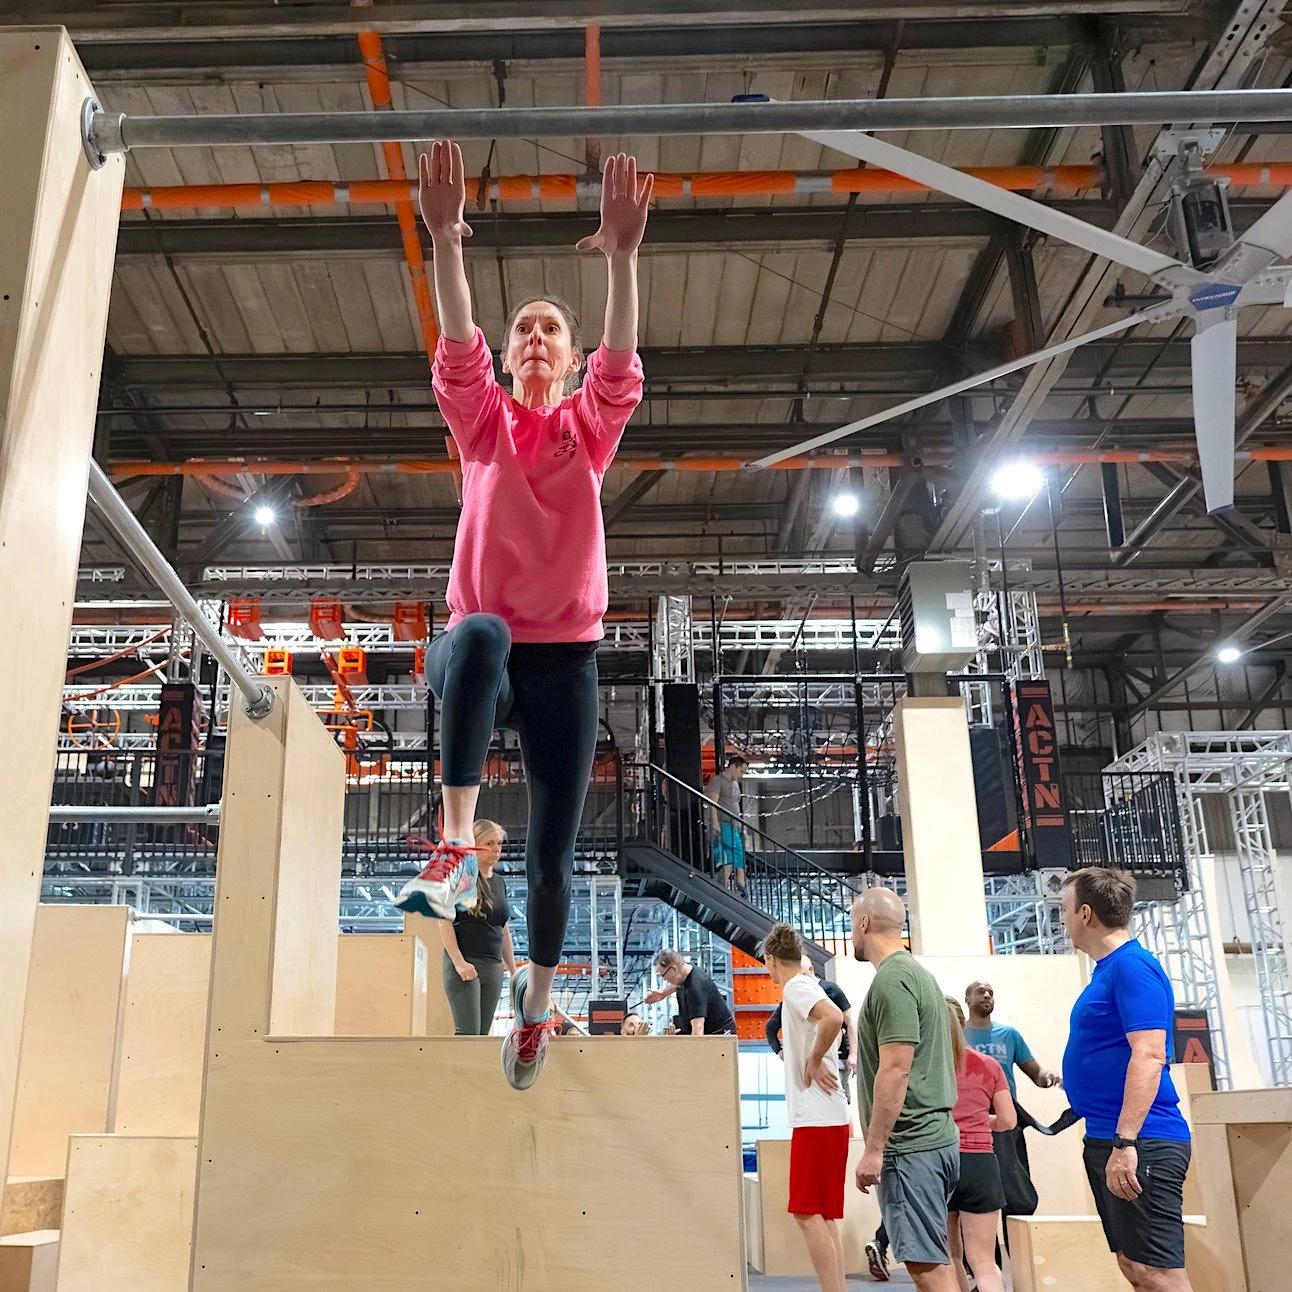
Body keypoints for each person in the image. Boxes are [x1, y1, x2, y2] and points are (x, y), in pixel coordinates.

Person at [391, 138, 652, 1091]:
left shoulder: (587, 431)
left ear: (571, 356)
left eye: (551, 329)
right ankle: (456, 841)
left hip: (567, 664)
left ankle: (536, 1010)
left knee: (553, 852)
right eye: (525, 330)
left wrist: (623, 257)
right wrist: (446, 241)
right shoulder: (485, 423)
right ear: (509, 355)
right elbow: (456, 338)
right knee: (484, 629)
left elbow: (622, 359)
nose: (536, 338)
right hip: (478, 657)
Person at [1060, 868, 1194, 1292]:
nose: (1060, 920)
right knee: (1135, 1268)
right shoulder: (1107, 970)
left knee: (1160, 1274)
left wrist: (1127, 1142)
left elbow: (1151, 1054)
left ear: (1085, 913)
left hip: (1142, 1142)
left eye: (1063, 910)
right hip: (1109, 1138)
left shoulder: (1133, 967)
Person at [851, 888, 959, 1292]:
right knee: (935, 1260)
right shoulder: (918, 976)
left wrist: (874, 1149)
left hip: (911, 1148)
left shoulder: (892, 981)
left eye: (852, 923)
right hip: (931, 1142)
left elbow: (896, 1069)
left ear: (864, 924)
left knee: (926, 1269)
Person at [763, 922, 849, 1292]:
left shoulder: (797, 985)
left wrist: (814, 1061)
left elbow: (834, 1018)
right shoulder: (806, 985)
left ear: (770, 960)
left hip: (816, 1117)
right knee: (824, 1214)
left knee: (805, 1210)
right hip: (829, 1115)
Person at [963, 979, 1062, 1223]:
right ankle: (978, 1259)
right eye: (980, 992)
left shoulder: (1009, 1035)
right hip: (972, 1121)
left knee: (1014, 1188)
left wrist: (1046, 1077)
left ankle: (1018, 1252)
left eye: (990, 993)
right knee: (974, 1189)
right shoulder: (958, 1035)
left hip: (1006, 1119)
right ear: (967, 999)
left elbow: (1036, 1073)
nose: (987, 996)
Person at [945, 996, 1015, 1292]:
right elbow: (1008, 1120)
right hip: (981, 1165)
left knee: (950, 1257)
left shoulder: (926, 1067)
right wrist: (979, 1122)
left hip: (941, 1162)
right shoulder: (988, 1065)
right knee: (985, 1262)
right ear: (963, 1024)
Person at [438, 819, 516, 1035]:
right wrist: (458, 962)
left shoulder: (499, 882)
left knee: (482, 1036)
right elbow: (443, 921)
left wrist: (513, 970)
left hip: (493, 966)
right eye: (489, 843)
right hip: (465, 961)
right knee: (468, 1033)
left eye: (499, 843)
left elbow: (503, 928)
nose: (496, 849)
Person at [765, 955, 858, 1100]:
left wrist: (854, 1053)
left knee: (839, 1099)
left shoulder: (830, 989)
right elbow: (770, 1027)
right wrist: (780, 1051)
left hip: (836, 1058)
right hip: (809, 1063)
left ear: (810, 970)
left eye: (801, 974)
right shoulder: (795, 994)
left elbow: (847, 1020)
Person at [644, 949, 736, 1035]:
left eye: (663, 975)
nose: (664, 979)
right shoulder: (685, 973)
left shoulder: (695, 988)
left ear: (674, 969)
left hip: (720, 1036)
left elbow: (698, 1029)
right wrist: (663, 993)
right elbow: (678, 984)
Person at [704, 754, 748, 892]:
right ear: (734, 767)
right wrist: (715, 822)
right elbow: (713, 803)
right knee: (727, 858)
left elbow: (736, 805)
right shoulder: (718, 781)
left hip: (735, 825)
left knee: (739, 857)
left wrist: (743, 828)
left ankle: (741, 887)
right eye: (741, 771)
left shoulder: (735, 784)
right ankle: (721, 886)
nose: (742, 775)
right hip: (723, 823)